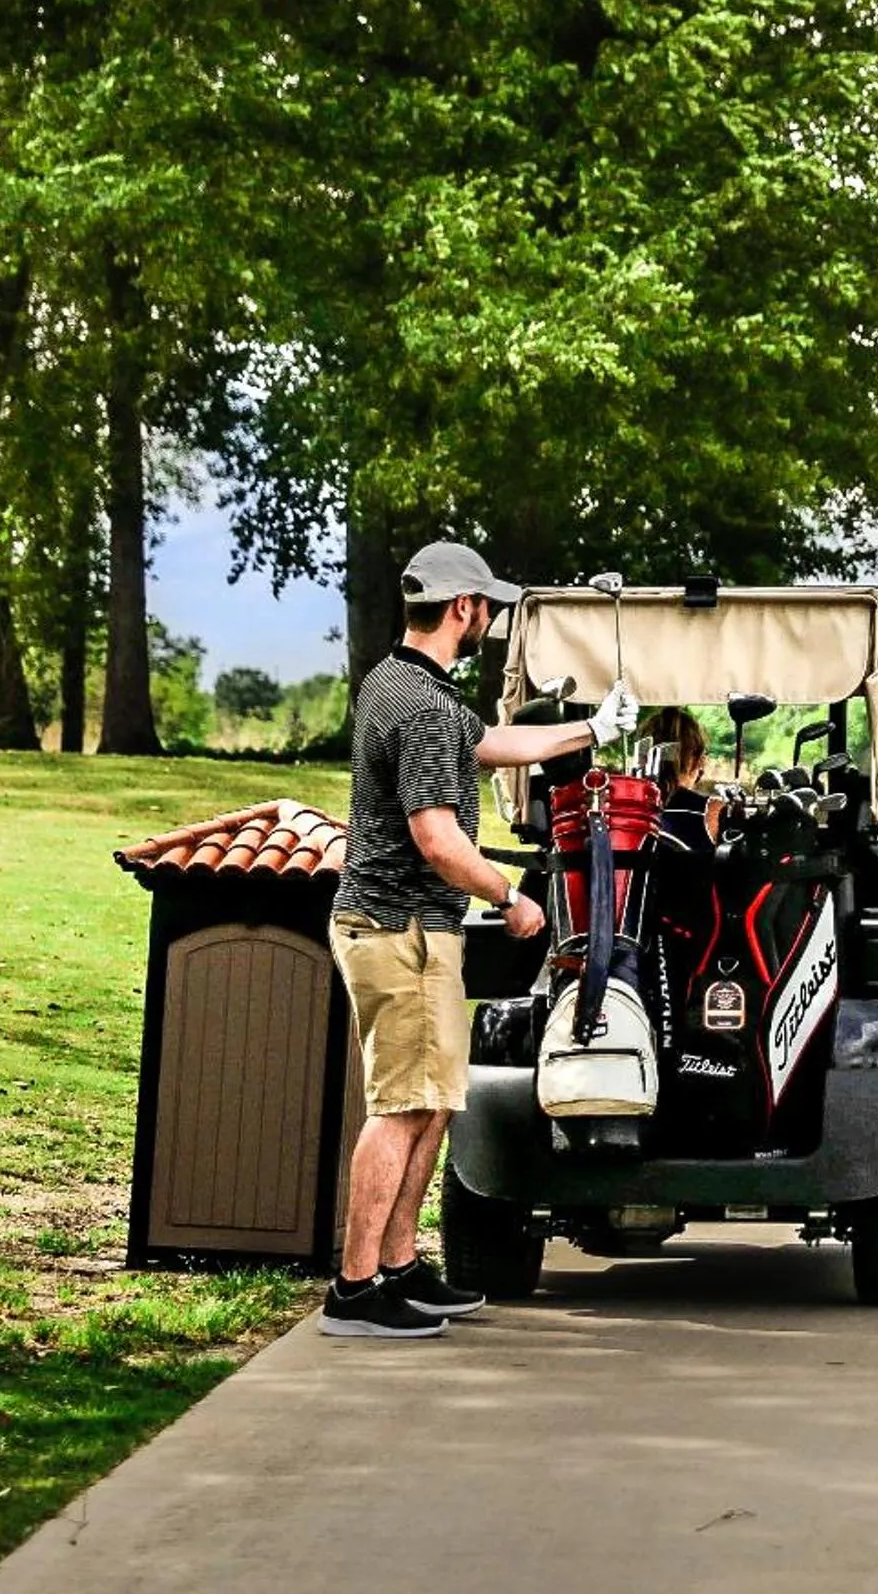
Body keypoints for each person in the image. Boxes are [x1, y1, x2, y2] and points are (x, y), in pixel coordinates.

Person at [321, 542, 638, 1339]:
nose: (489, 619)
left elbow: (495, 744)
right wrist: (510, 896)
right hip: (401, 933)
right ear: (463, 608)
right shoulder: (424, 708)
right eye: (485, 606)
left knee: (431, 1107)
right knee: (400, 1110)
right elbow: (435, 838)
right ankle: (355, 1290)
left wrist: (590, 728)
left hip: (410, 931)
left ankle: (398, 1268)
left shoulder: (402, 684)